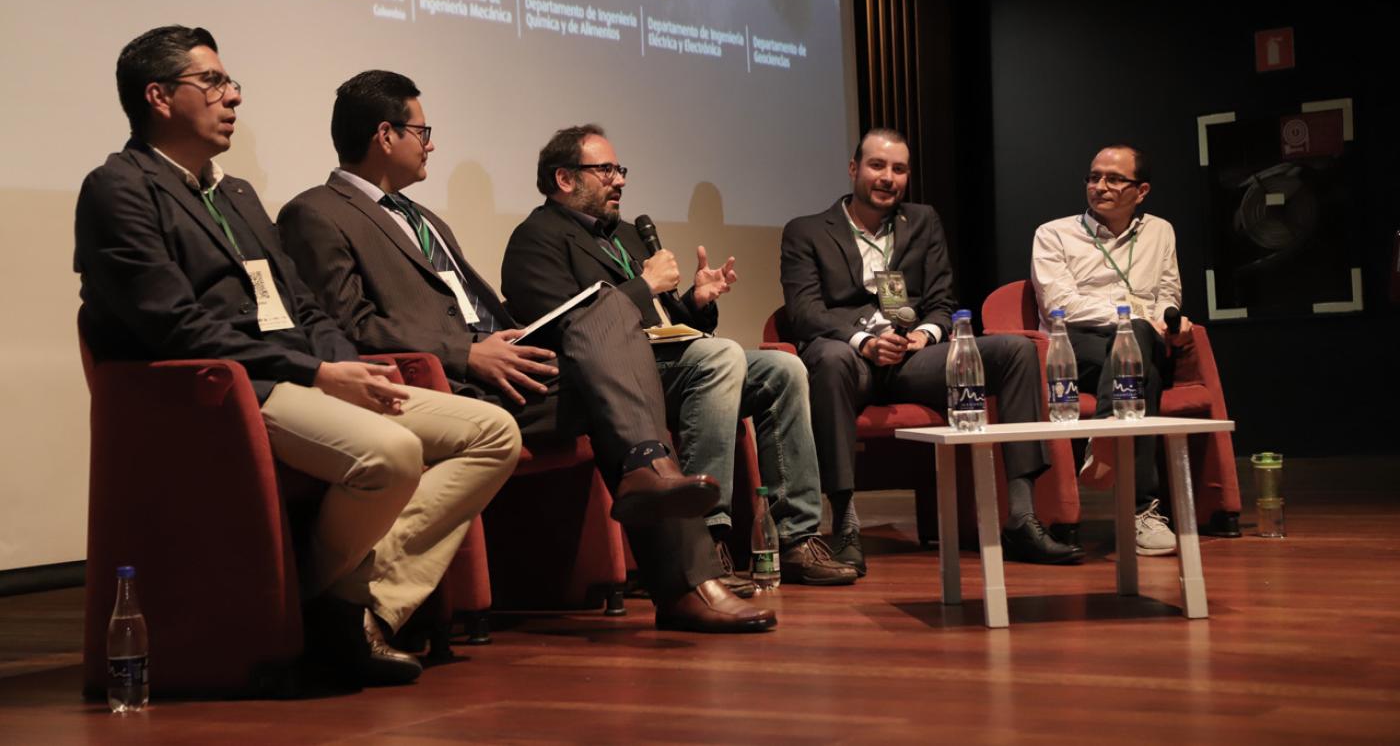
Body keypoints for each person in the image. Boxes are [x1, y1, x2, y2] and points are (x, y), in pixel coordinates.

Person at [74, 27, 521, 686]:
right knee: (392, 453)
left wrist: (345, 366)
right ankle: (322, 615)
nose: (233, 98)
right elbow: (174, 325)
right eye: (215, 84)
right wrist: (315, 373)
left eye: (233, 85)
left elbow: (305, 305)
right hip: (228, 390)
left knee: (491, 431)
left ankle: (346, 605)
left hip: (302, 376)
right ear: (158, 97)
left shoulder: (238, 194)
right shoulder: (119, 188)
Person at [277, 73, 775, 632]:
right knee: (617, 355)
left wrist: (516, 338)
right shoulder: (317, 212)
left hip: (511, 361)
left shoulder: (425, 218)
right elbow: (347, 326)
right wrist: (468, 353)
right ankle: (686, 574)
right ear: (385, 134)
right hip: (451, 383)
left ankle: (650, 481)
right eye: (423, 130)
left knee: (607, 314)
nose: (432, 143)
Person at [501, 124, 857, 586]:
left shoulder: (628, 235)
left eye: (620, 169)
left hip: (669, 362)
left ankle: (793, 537)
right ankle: (708, 541)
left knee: (784, 368)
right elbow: (569, 328)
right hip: (607, 379)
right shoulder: (535, 239)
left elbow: (666, 322)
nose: (620, 179)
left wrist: (696, 302)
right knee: (720, 358)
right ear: (565, 179)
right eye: (605, 169)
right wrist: (644, 286)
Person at [780, 128, 1083, 566]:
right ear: (853, 169)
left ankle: (1021, 517)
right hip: (850, 361)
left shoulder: (922, 221)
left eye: (899, 169)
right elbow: (804, 312)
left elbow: (942, 302)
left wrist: (926, 335)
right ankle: (845, 523)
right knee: (829, 358)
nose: (888, 177)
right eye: (877, 166)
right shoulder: (806, 231)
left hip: (913, 360)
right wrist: (864, 342)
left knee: (1015, 352)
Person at [1031, 144, 1189, 556]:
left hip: (1142, 341)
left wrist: (1170, 317)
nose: (1100, 186)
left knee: (1136, 346)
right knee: (1142, 368)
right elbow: (1059, 306)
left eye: (1114, 179)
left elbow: (1168, 290)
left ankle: (1103, 439)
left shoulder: (1160, 231)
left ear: (1141, 191)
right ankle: (1141, 510)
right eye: (1093, 177)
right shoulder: (1053, 234)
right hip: (1075, 346)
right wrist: (1134, 317)